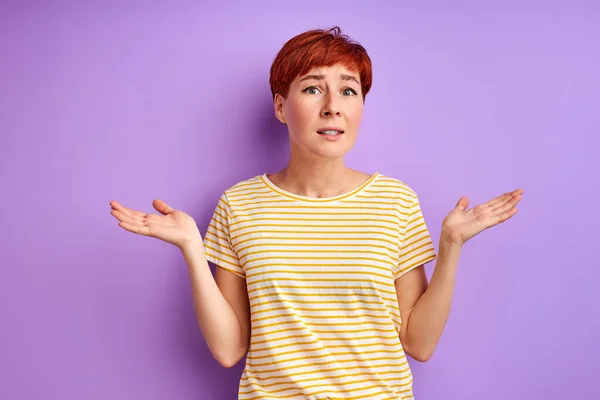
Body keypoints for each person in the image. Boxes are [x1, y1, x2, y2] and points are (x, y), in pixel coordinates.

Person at [110, 26, 523, 400]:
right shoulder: (239, 204)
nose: (333, 107)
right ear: (280, 107)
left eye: (348, 90)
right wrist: (191, 248)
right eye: (312, 89)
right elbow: (228, 349)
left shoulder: (395, 201)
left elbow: (420, 344)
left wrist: (450, 246)